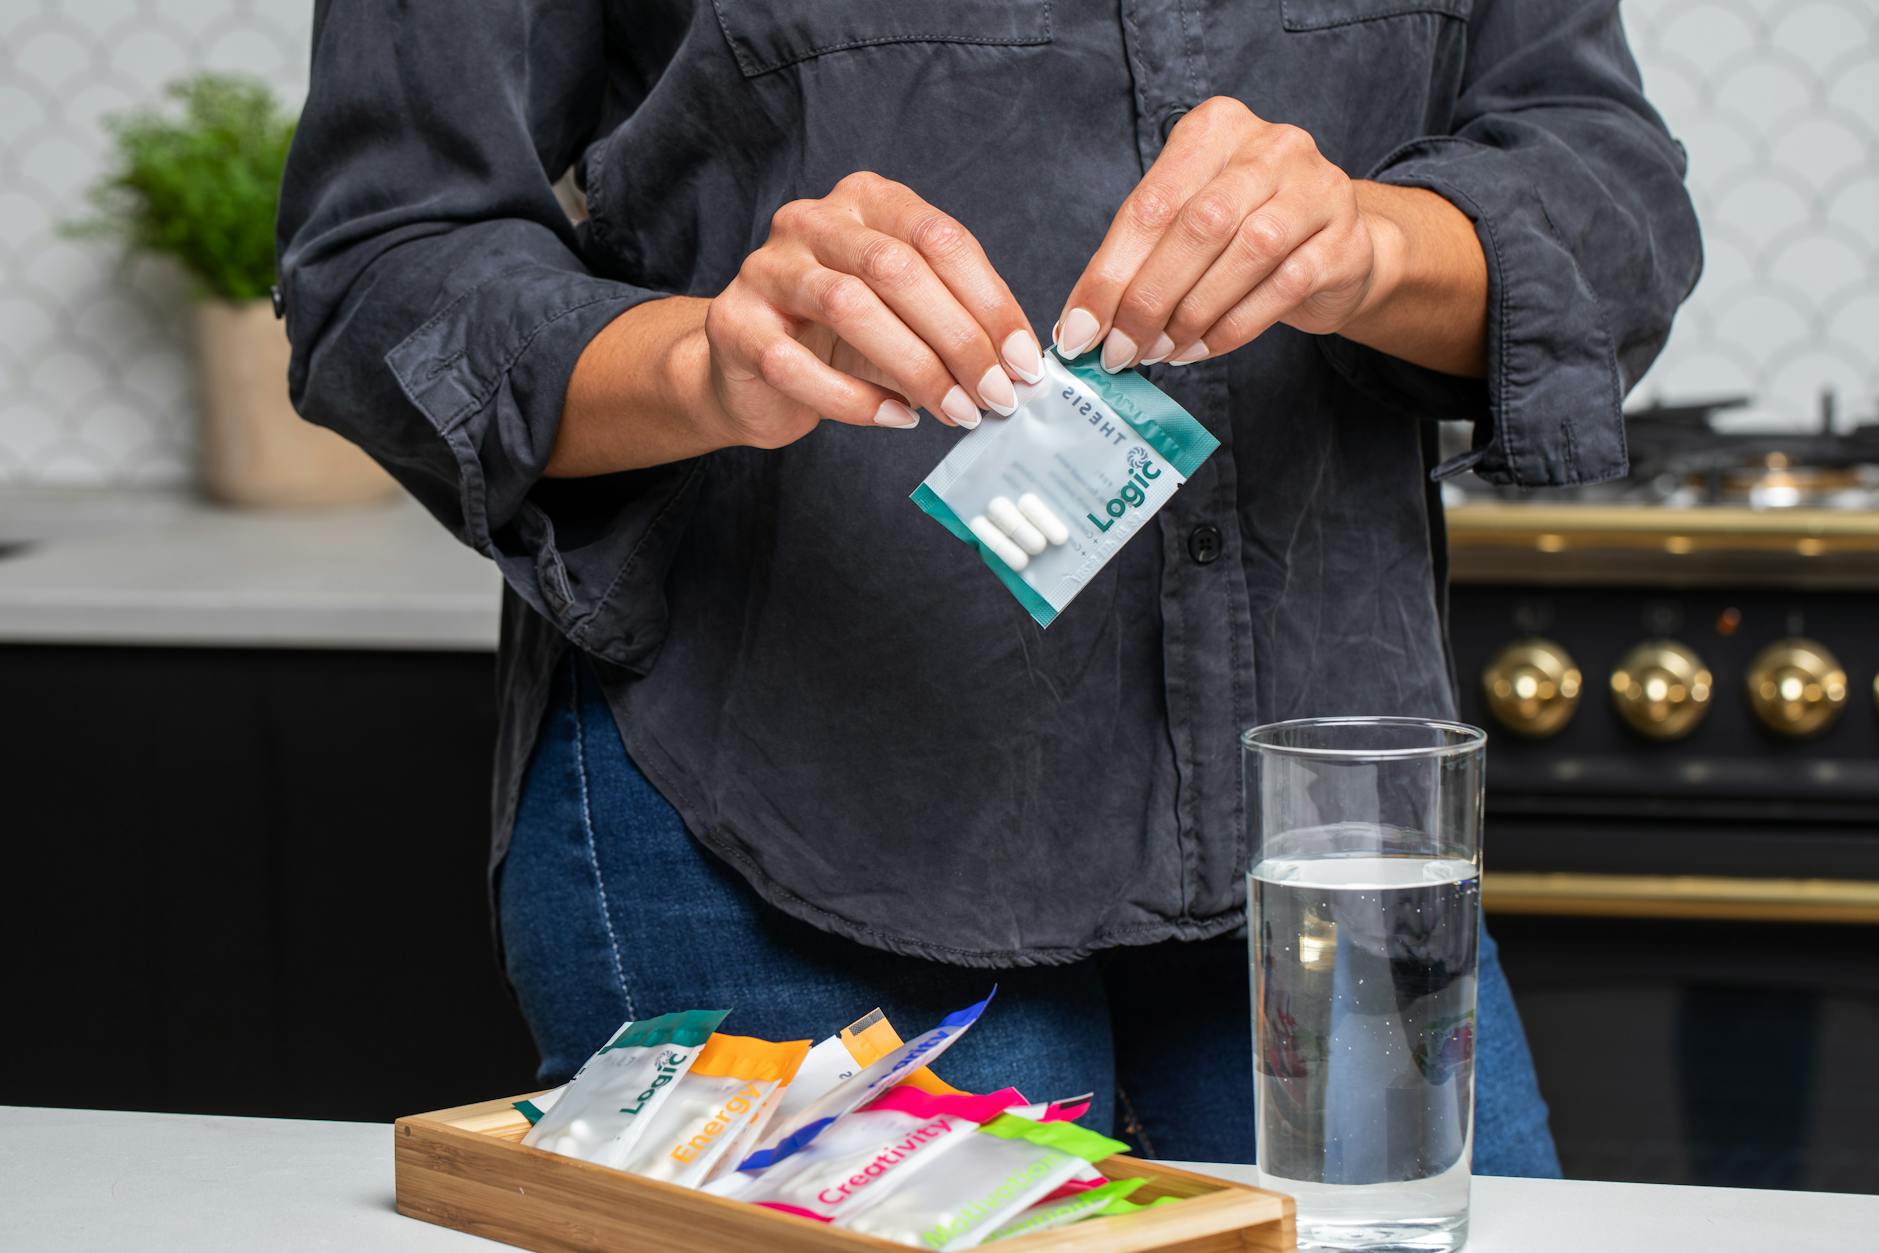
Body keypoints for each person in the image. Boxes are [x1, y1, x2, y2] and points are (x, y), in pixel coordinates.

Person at [278, 1, 1699, 1175]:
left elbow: (1607, 178)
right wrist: (707, 357)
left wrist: (1378, 242)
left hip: (1320, 831)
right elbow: (382, 259)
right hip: (789, 797)